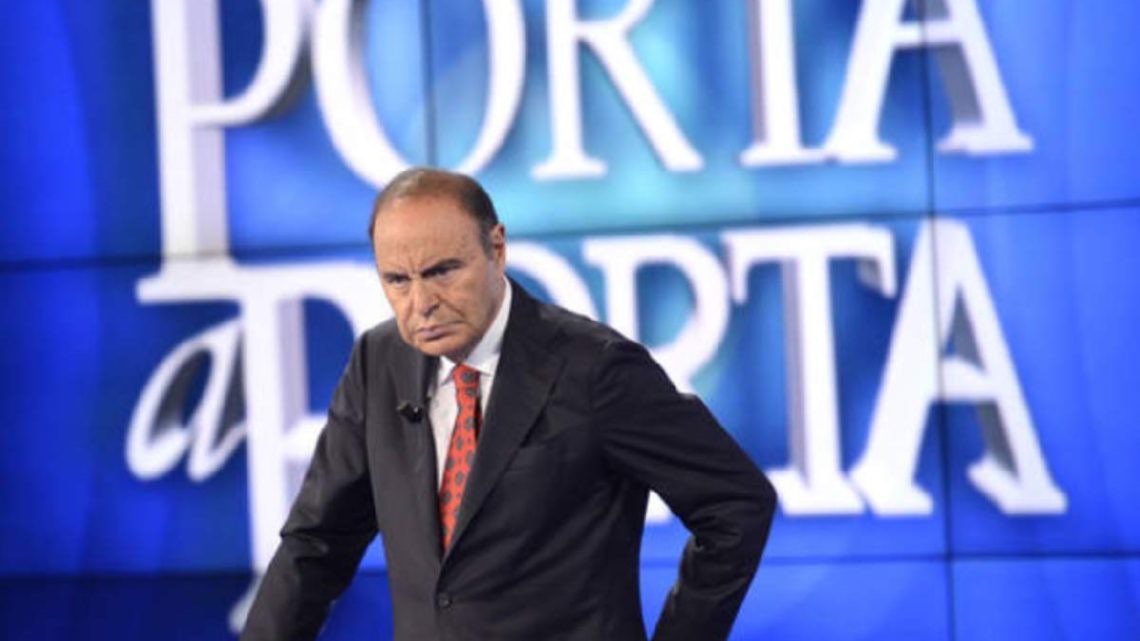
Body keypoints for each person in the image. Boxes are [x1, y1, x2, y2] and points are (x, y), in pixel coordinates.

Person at [241, 168, 777, 641]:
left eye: (442, 271)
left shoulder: (594, 369)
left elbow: (735, 503)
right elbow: (317, 544)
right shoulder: (378, 362)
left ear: (496, 248)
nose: (421, 304)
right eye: (397, 280)